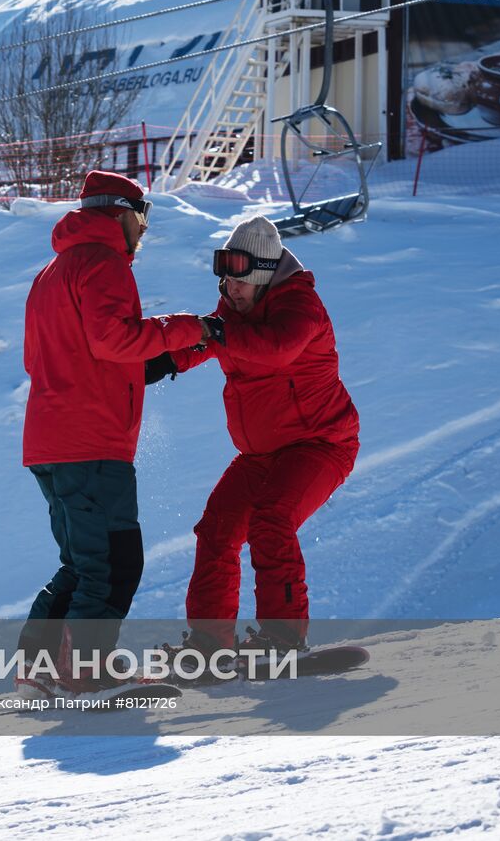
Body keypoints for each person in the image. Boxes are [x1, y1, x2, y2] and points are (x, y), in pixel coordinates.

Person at [17, 170, 214, 695]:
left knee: (82, 564)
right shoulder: (104, 263)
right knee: (113, 563)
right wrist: (192, 326)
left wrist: (186, 350)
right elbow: (113, 341)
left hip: (50, 442)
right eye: (142, 218)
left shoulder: (52, 272)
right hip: (92, 444)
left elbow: (58, 359)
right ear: (122, 214)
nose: (144, 230)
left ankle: (38, 669)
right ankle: (85, 672)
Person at [150, 215, 360, 662]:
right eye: (225, 279)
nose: (230, 288)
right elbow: (210, 340)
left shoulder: (301, 305)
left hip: (320, 444)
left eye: (239, 279)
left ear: (264, 273)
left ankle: (284, 639)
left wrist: (216, 330)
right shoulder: (234, 308)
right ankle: (210, 645)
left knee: (271, 519)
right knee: (217, 530)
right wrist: (163, 361)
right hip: (261, 453)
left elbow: (275, 348)